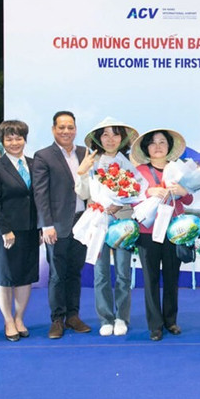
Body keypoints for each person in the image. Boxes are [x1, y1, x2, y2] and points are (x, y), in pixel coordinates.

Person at [76, 118, 143, 337]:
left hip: (122, 221)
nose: (110, 139)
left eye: (115, 134)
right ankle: (106, 318)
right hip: (98, 220)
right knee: (101, 273)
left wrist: (121, 201)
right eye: (105, 134)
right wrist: (82, 172)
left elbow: (137, 191)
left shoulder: (130, 163)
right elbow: (84, 194)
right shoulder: (91, 162)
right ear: (98, 138)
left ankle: (122, 316)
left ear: (122, 138)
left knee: (123, 272)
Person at [33, 111, 92, 339]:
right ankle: (57, 319)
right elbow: (40, 193)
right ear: (53, 129)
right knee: (57, 274)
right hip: (56, 225)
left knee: (75, 272)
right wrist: (46, 224)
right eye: (61, 127)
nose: (66, 131)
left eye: (70, 127)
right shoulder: (43, 156)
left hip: (82, 222)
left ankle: (73, 316)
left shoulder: (84, 153)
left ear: (75, 129)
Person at [131, 128, 192, 341]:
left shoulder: (179, 170)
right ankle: (155, 325)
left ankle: (171, 320)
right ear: (146, 147)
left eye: (162, 142)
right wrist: (147, 192)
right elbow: (129, 197)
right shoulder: (138, 171)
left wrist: (182, 192)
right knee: (151, 278)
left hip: (174, 230)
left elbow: (189, 200)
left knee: (172, 276)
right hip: (148, 231)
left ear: (169, 146)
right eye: (153, 142)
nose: (158, 146)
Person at [0, 120, 40, 342]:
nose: (14, 142)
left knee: (25, 276)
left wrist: (42, 226)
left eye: (18, 138)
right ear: (2, 141)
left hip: (29, 230)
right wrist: (4, 229)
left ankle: (19, 318)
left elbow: (40, 198)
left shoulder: (34, 164)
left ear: (25, 139)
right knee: (5, 278)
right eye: (9, 138)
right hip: (6, 232)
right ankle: (8, 321)